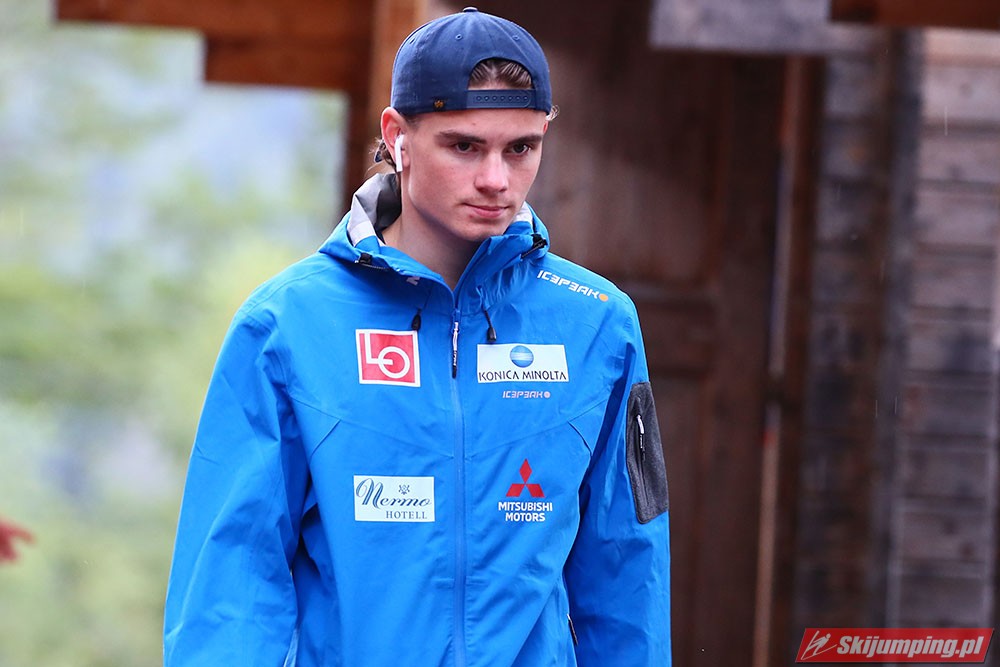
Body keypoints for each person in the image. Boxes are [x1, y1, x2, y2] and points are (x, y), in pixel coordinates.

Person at [163, 8, 671, 666]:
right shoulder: (285, 326)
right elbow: (230, 591)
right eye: (464, 146)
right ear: (397, 137)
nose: (496, 179)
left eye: (521, 148)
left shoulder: (599, 322)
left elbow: (628, 572)